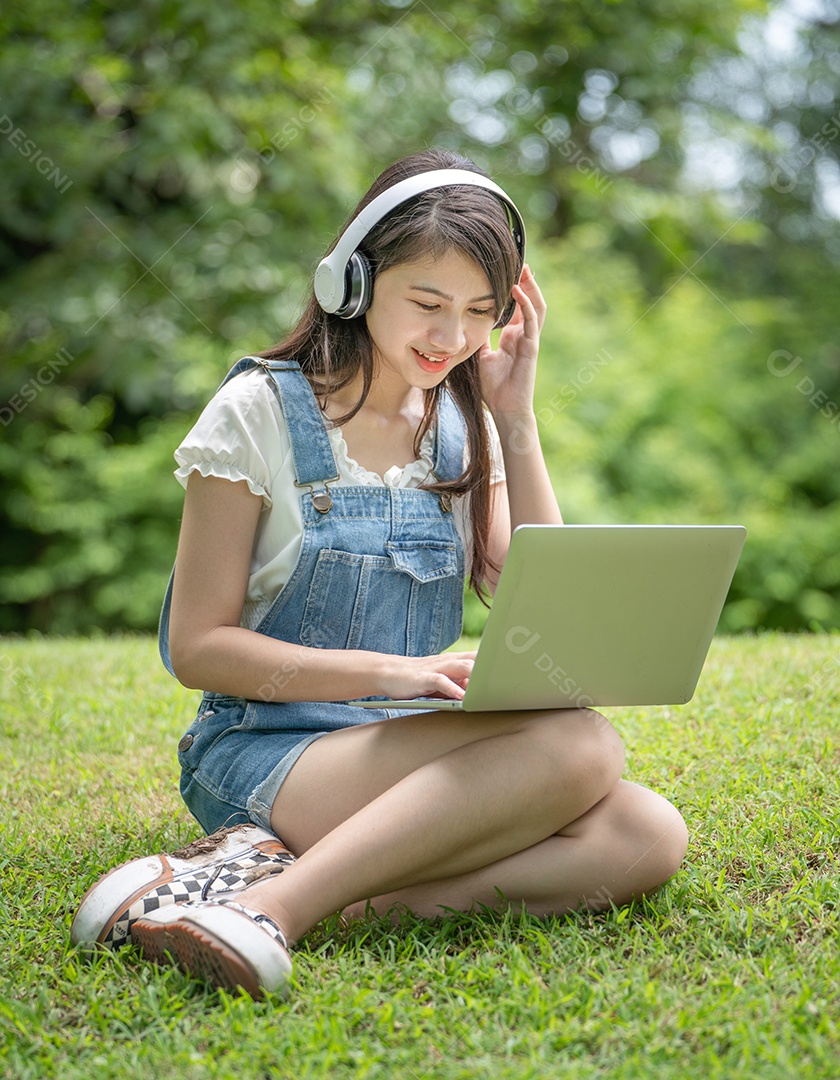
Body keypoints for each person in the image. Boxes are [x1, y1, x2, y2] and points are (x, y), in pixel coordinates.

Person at [71, 148, 688, 1000]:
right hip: (268, 749)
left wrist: (515, 419)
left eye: (480, 312)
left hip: (406, 749)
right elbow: (197, 647)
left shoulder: (460, 423)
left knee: (648, 833)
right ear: (351, 284)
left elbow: (532, 592)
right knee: (583, 745)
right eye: (427, 304)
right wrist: (393, 673)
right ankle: (273, 914)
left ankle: (266, 894)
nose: (453, 338)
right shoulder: (257, 413)